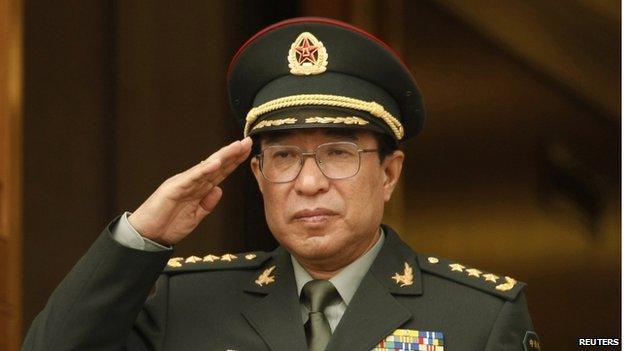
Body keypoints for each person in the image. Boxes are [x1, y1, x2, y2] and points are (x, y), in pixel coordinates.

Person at [23, 17, 540, 351]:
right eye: (284, 157)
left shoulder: (478, 317)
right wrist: (141, 237)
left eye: (338, 154)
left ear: (389, 173)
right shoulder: (185, 301)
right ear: (257, 174)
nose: (309, 182)